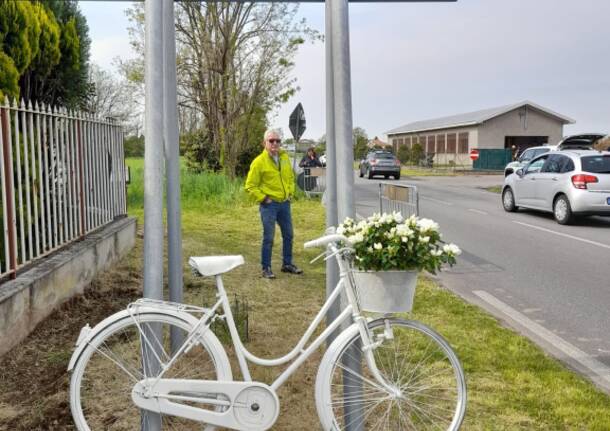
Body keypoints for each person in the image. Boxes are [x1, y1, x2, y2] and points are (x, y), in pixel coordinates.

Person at [245, 129, 303, 279]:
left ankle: (287, 264)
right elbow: (250, 186)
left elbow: (290, 177)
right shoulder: (258, 162)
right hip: (269, 205)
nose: (275, 143)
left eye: (278, 141)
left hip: (284, 204)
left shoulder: (284, 158)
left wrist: (290, 193)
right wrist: (264, 199)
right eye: (271, 141)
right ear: (264, 143)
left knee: (289, 235)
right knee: (269, 237)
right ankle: (266, 268)